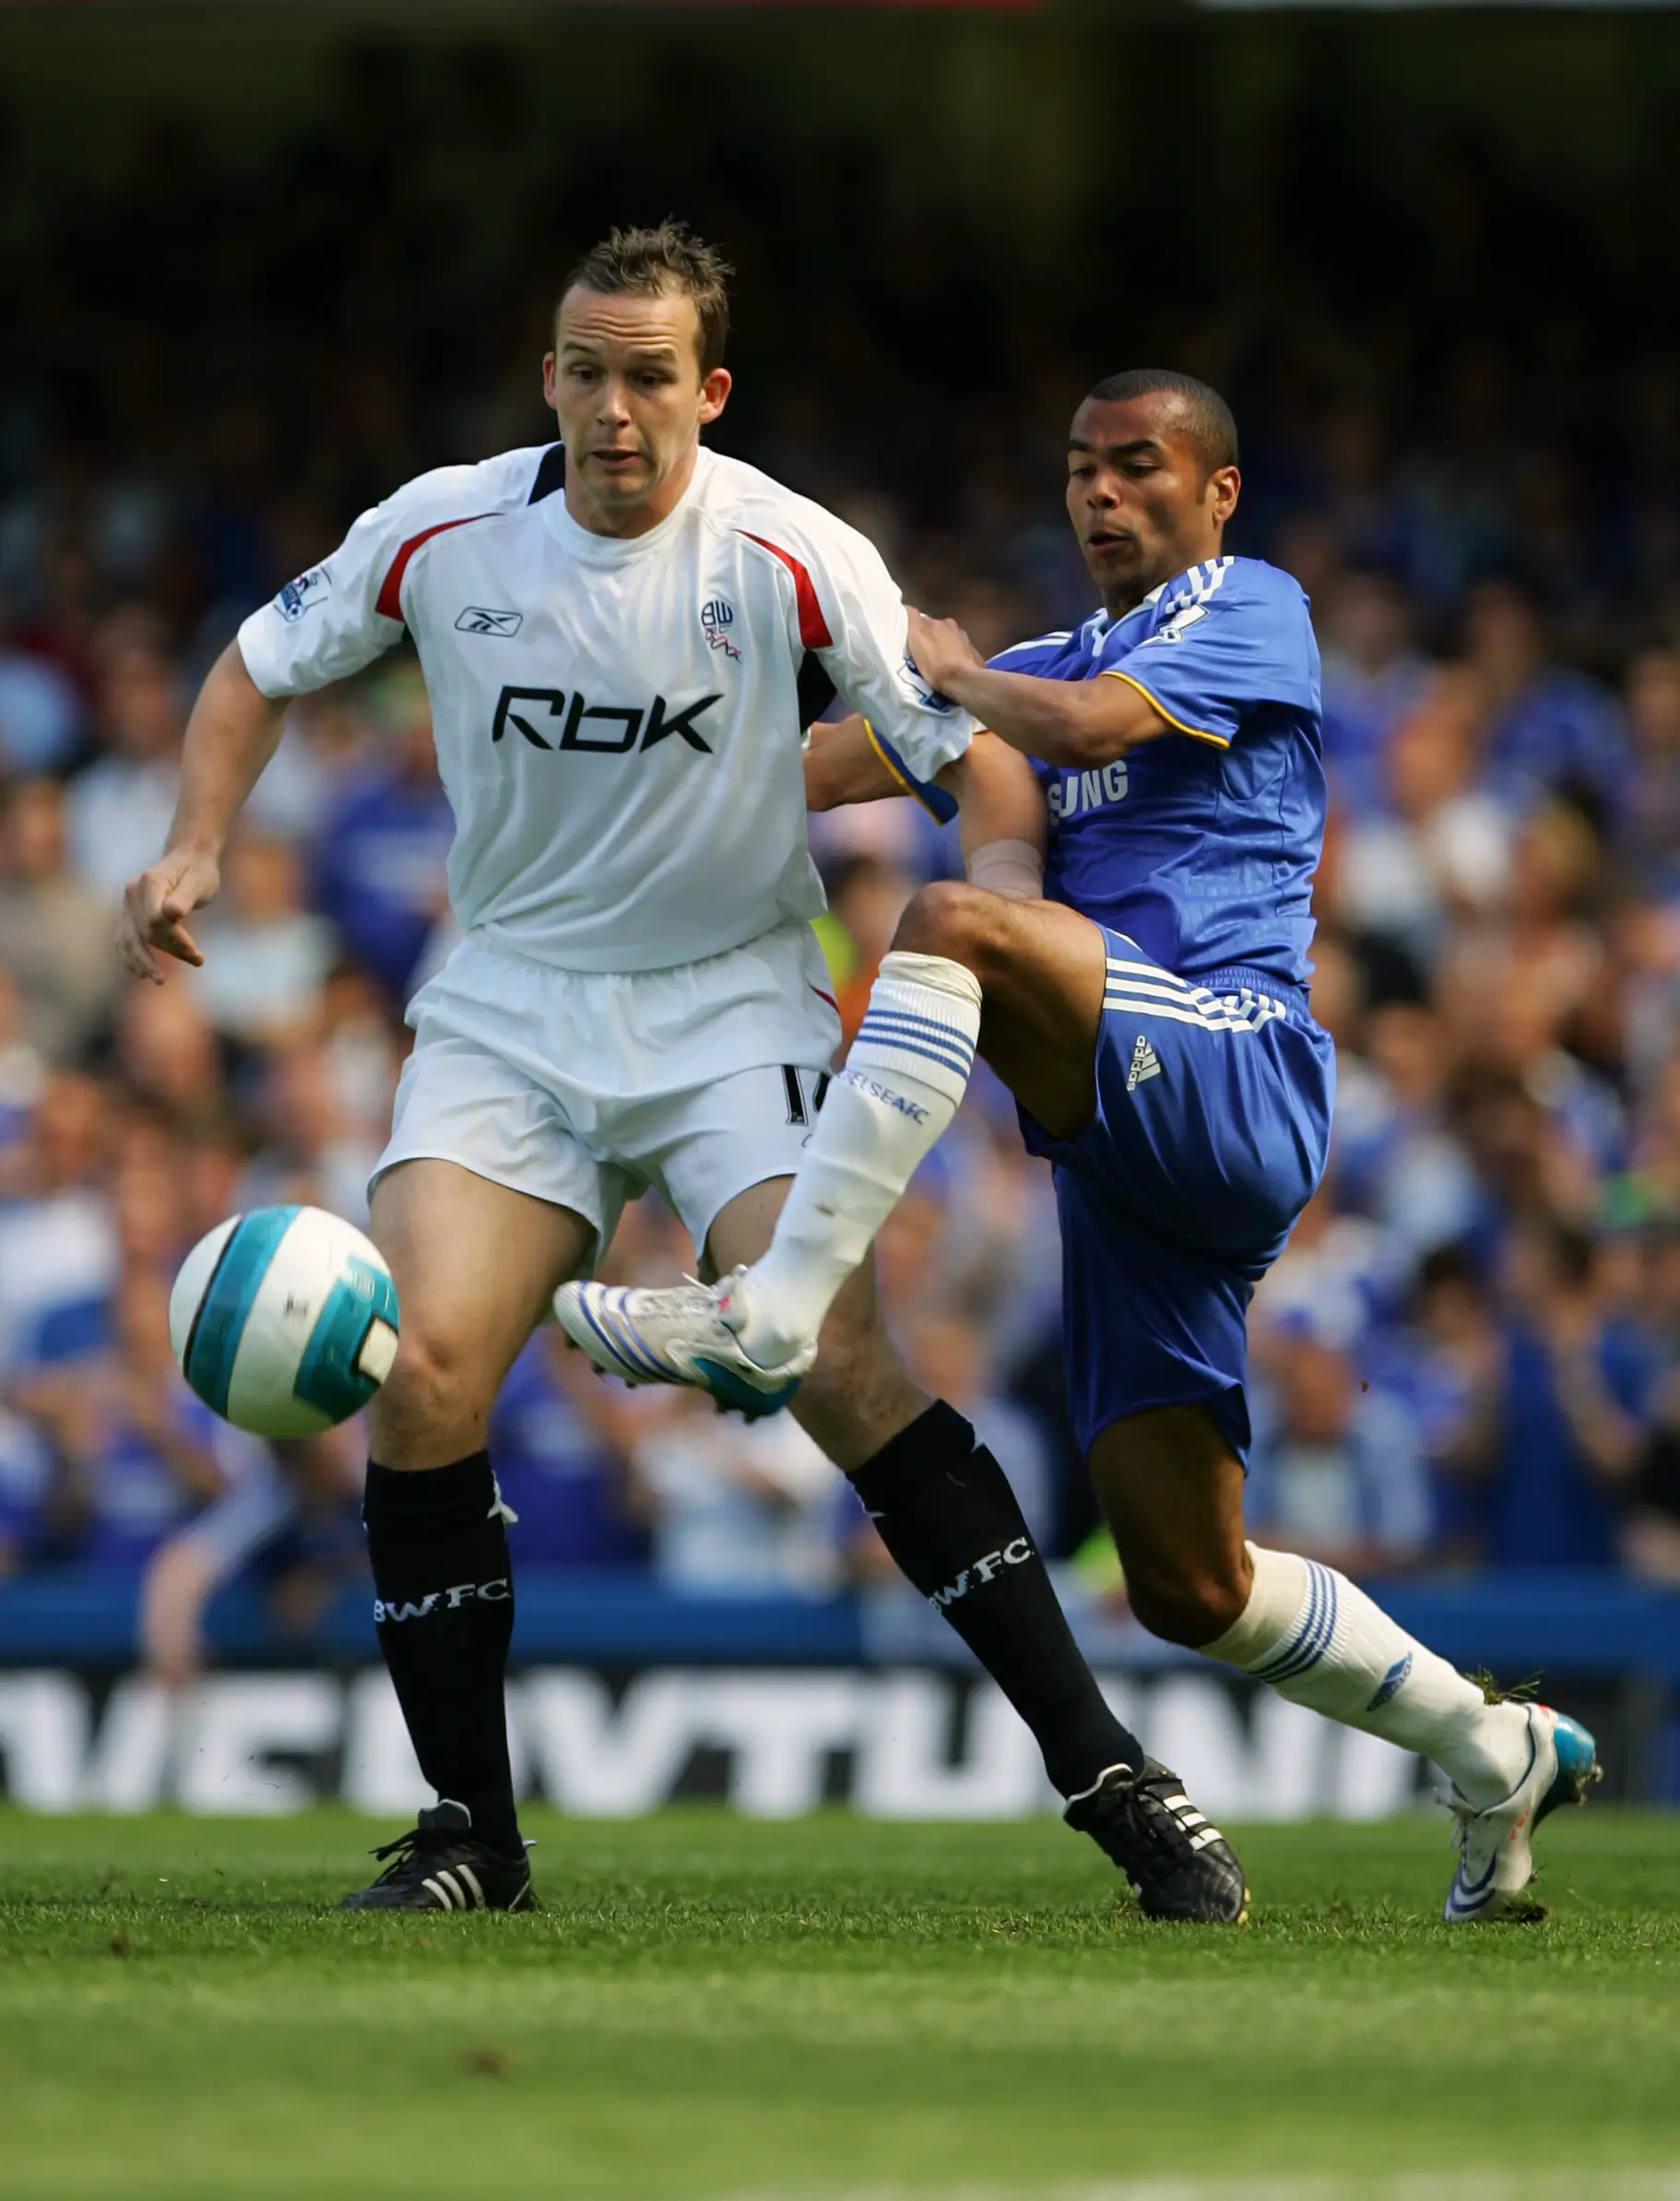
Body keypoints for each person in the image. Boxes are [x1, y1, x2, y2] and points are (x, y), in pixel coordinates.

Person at [119, 227, 1233, 1922]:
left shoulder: (797, 555)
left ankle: (1116, 1786)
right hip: (507, 1012)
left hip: (731, 1010)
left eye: (650, 376)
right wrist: (193, 844)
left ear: (709, 389)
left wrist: (1000, 904)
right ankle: (469, 1837)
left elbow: (963, 764)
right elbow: (255, 670)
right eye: (586, 370)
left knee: (842, 1363)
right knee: (421, 1376)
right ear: (547, 378)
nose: (614, 409)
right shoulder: (441, 528)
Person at [583, 367, 1602, 1923]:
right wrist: (627, 786)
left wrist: (950, 674)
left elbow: (1062, 721)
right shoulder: (1042, 662)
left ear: (1215, 493)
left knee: (952, 922)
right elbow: (820, 766)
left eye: (1137, 468)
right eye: (1080, 470)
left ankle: (778, 1301)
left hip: (1232, 1063)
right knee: (1190, 1583)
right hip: (1124, 1153)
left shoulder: (1249, 608)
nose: (1103, 495)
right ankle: (1488, 1748)